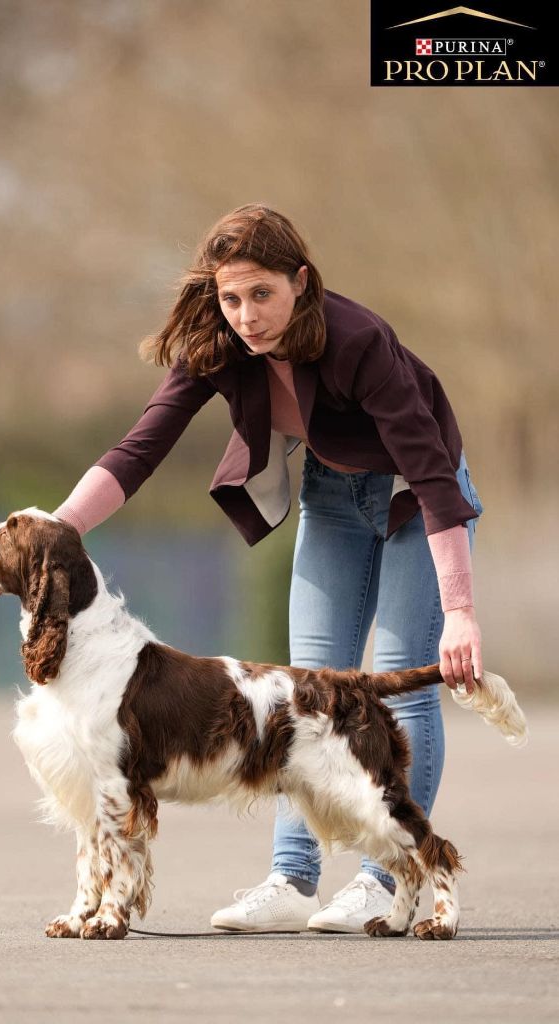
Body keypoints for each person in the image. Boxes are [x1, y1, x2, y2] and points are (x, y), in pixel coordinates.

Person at [54, 203, 484, 934]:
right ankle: (293, 879)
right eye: (230, 297)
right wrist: (58, 530)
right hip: (334, 495)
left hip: (416, 494)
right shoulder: (217, 345)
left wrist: (462, 610)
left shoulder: (358, 340)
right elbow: (141, 448)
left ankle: (383, 881)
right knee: (306, 690)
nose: (246, 316)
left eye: (262, 294)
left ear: (301, 282)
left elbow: (434, 475)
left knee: (409, 686)